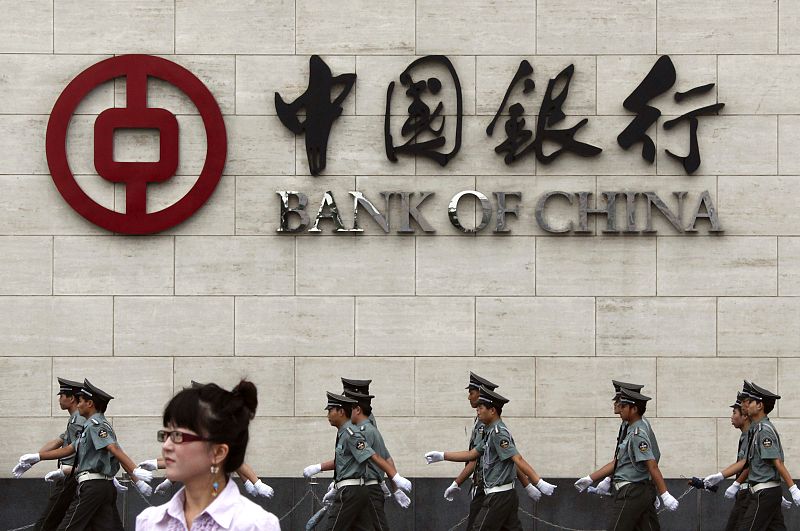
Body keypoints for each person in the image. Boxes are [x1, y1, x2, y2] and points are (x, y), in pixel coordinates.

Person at [135, 380, 280, 530]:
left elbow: (238, 464)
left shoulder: (257, 525)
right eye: (166, 434)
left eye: (178, 435)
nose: (166, 446)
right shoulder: (149, 522)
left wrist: (255, 483)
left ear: (218, 452)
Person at [13, 379, 153, 530]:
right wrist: (38, 457)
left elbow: (114, 449)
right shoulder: (89, 425)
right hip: (99, 486)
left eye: (80, 401)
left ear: (90, 404)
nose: (77, 405)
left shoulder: (95, 425)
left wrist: (135, 473)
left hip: (92, 486)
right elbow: (69, 448)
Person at [425, 386, 557, 531]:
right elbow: (472, 454)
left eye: (481, 407)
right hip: (502, 494)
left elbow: (517, 459)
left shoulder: (499, 433)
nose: (478, 410)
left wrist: (538, 482)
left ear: (492, 410)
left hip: (498, 495)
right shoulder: (489, 431)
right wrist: (442, 455)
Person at [574, 387, 678, 530]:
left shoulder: (637, 434)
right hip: (636, 490)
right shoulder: (630, 427)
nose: (619, 408)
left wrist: (664, 494)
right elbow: (618, 461)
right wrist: (591, 478)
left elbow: (652, 465)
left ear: (634, 409)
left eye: (623, 406)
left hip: (632, 491)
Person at [306, 391, 412, 531]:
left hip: (352, 491)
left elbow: (373, 457)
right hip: (355, 490)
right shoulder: (344, 433)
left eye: (330, 410)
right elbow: (346, 462)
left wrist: (395, 478)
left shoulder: (352, 433)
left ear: (341, 411)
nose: (328, 415)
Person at [14, 378, 87, 531]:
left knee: (47, 522)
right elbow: (59, 440)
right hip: (71, 476)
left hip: (70, 477)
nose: (59, 400)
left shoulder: (78, 420)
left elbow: (73, 449)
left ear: (71, 398)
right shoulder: (75, 419)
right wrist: (33, 458)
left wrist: (38, 457)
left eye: (61, 396)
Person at [734, 381, 800, 530]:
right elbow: (748, 464)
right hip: (764, 491)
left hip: (764, 493)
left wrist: (793, 489)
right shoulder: (756, 429)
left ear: (760, 405)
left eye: (749, 402)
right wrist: (723, 478)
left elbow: (777, 462)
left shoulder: (764, 430)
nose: (745, 405)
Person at [700, 391, 752, 530]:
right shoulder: (745, 436)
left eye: (735, 413)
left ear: (745, 416)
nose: (732, 417)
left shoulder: (752, 435)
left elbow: (749, 463)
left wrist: (733, 481)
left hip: (750, 492)